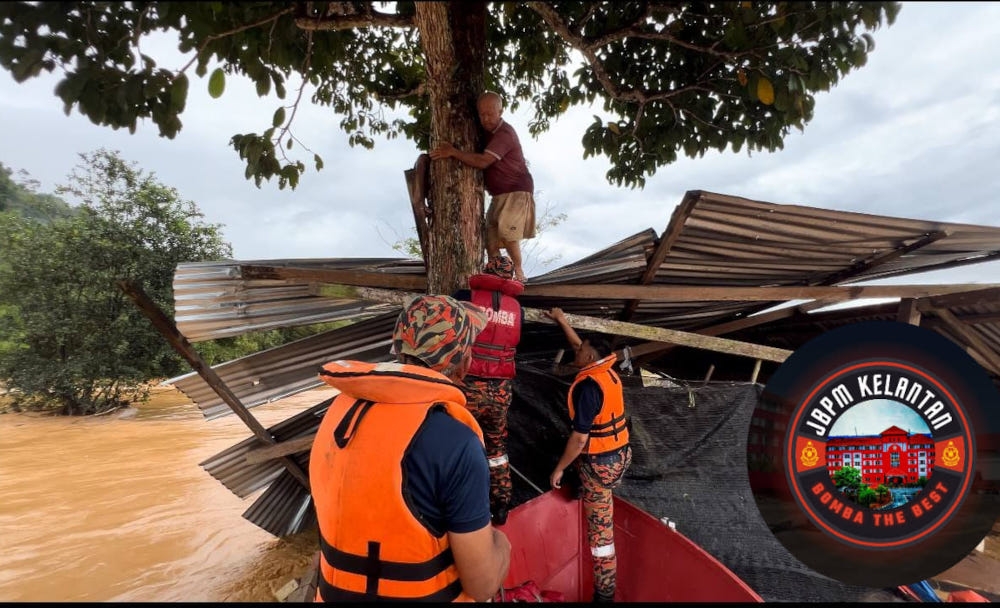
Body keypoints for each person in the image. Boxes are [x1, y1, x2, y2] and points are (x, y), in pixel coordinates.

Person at [309, 295, 511, 602]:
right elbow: (481, 585)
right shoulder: (456, 442)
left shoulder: (338, 414)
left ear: (399, 348)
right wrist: (502, 545)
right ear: (465, 362)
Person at [544, 307, 632, 604]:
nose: (576, 351)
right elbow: (577, 345)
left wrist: (559, 469)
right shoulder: (606, 372)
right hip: (619, 455)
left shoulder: (589, 388)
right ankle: (590, 490)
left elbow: (580, 439)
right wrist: (561, 320)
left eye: (581, 350)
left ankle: (604, 592)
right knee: (596, 491)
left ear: (590, 358)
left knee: (601, 535)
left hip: (601, 464)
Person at [428, 90, 536, 283]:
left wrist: (452, 152)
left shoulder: (505, 134)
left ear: (500, 112)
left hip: (516, 191)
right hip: (498, 194)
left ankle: (519, 273)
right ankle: (499, 274)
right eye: (482, 114)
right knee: (490, 239)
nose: (485, 119)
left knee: (509, 233)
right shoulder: (485, 132)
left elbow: (484, 161)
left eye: (490, 114)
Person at [452, 255, 524, 526]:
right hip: (502, 390)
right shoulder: (518, 308)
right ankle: (501, 504)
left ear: (486, 272)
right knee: (496, 447)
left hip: (468, 385)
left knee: (459, 442)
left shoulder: (464, 296)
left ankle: (460, 504)